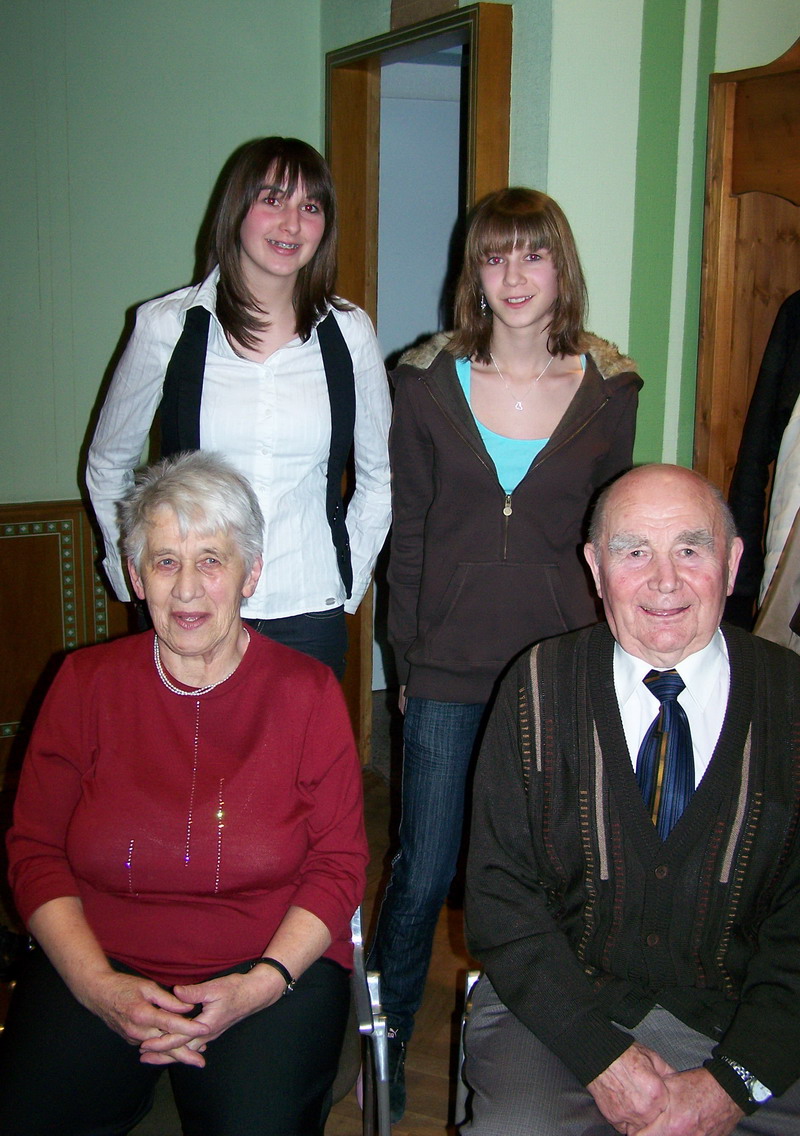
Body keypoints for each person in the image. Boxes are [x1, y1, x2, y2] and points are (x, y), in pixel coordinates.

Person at [368, 187, 642, 1120]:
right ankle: (387, 1032)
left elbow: (615, 538)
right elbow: (407, 533)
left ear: (560, 267)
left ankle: (550, 1028)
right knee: (424, 870)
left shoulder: (610, 394)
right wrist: (406, 663)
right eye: (495, 257)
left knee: (561, 870)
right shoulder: (423, 388)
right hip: (447, 670)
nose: (514, 276)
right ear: (472, 273)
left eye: (533, 255)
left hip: (563, 672)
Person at [0, 451, 368, 1136]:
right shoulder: (84, 684)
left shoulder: (306, 693)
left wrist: (257, 985)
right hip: (99, 962)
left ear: (250, 574)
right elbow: (35, 850)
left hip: (266, 972)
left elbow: (338, 867)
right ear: (136, 576)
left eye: (212, 560)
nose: (188, 588)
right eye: (166, 561)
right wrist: (96, 986)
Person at [463, 463, 800, 1135]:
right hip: (558, 1012)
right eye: (634, 550)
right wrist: (600, 1057)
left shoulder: (792, 702)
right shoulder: (535, 688)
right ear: (595, 566)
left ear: (731, 564)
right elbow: (501, 902)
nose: (665, 580)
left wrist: (733, 1083)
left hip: (748, 1017)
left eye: (690, 549)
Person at [86, 136, 391, 679]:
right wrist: (135, 571)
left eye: (311, 207)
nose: (292, 224)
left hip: (308, 609)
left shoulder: (349, 334)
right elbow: (108, 466)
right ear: (237, 210)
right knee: (186, 764)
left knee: (299, 765)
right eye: (273, 199)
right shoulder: (169, 327)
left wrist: (348, 578)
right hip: (192, 606)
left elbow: (380, 476)